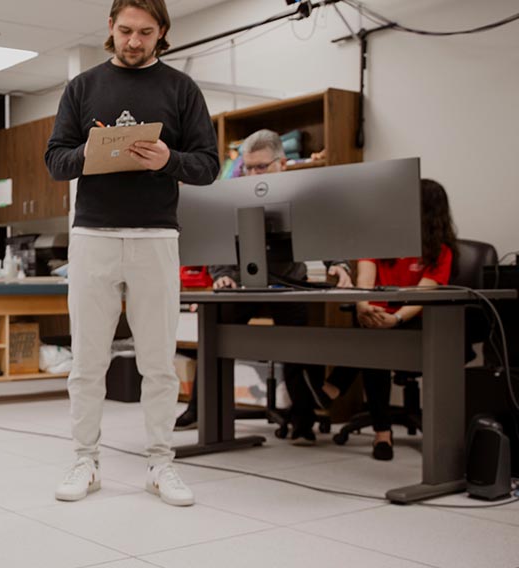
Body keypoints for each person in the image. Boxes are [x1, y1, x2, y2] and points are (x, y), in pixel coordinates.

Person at [45, 0, 219, 506]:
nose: (134, 41)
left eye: (145, 32)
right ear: (110, 28)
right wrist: (92, 154)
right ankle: (86, 460)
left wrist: (168, 159)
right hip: (94, 237)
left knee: (159, 362)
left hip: (158, 237)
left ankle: (161, 463)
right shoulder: (82, 87)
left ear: (162, 32)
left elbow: (207, 165)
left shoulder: (181, 89)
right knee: (88, 361)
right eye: (125, 31)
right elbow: (56, 161)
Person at [173, 129, 354, 444]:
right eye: (249, 167)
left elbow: (324, 233)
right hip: (244, 285)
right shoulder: (234, 194)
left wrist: (337, 263)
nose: (253, 174)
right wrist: (221, 275)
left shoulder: (302, 195)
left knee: (299, 343)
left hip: (288, 284)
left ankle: (303, 419)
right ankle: (198, 409)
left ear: (281, 164)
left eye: (261, 167)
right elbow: (218, 239)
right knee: (213, 330)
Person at [324, 179, 457, 460]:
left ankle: (335, 389)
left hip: (412, 319)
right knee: (374, 335)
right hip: (374, 316)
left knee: (376, 341)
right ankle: (381, 432)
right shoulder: (379, 238)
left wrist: (394, 319)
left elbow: (423, 295)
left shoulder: (440, 251)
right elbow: (366, 280)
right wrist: (362, 305)